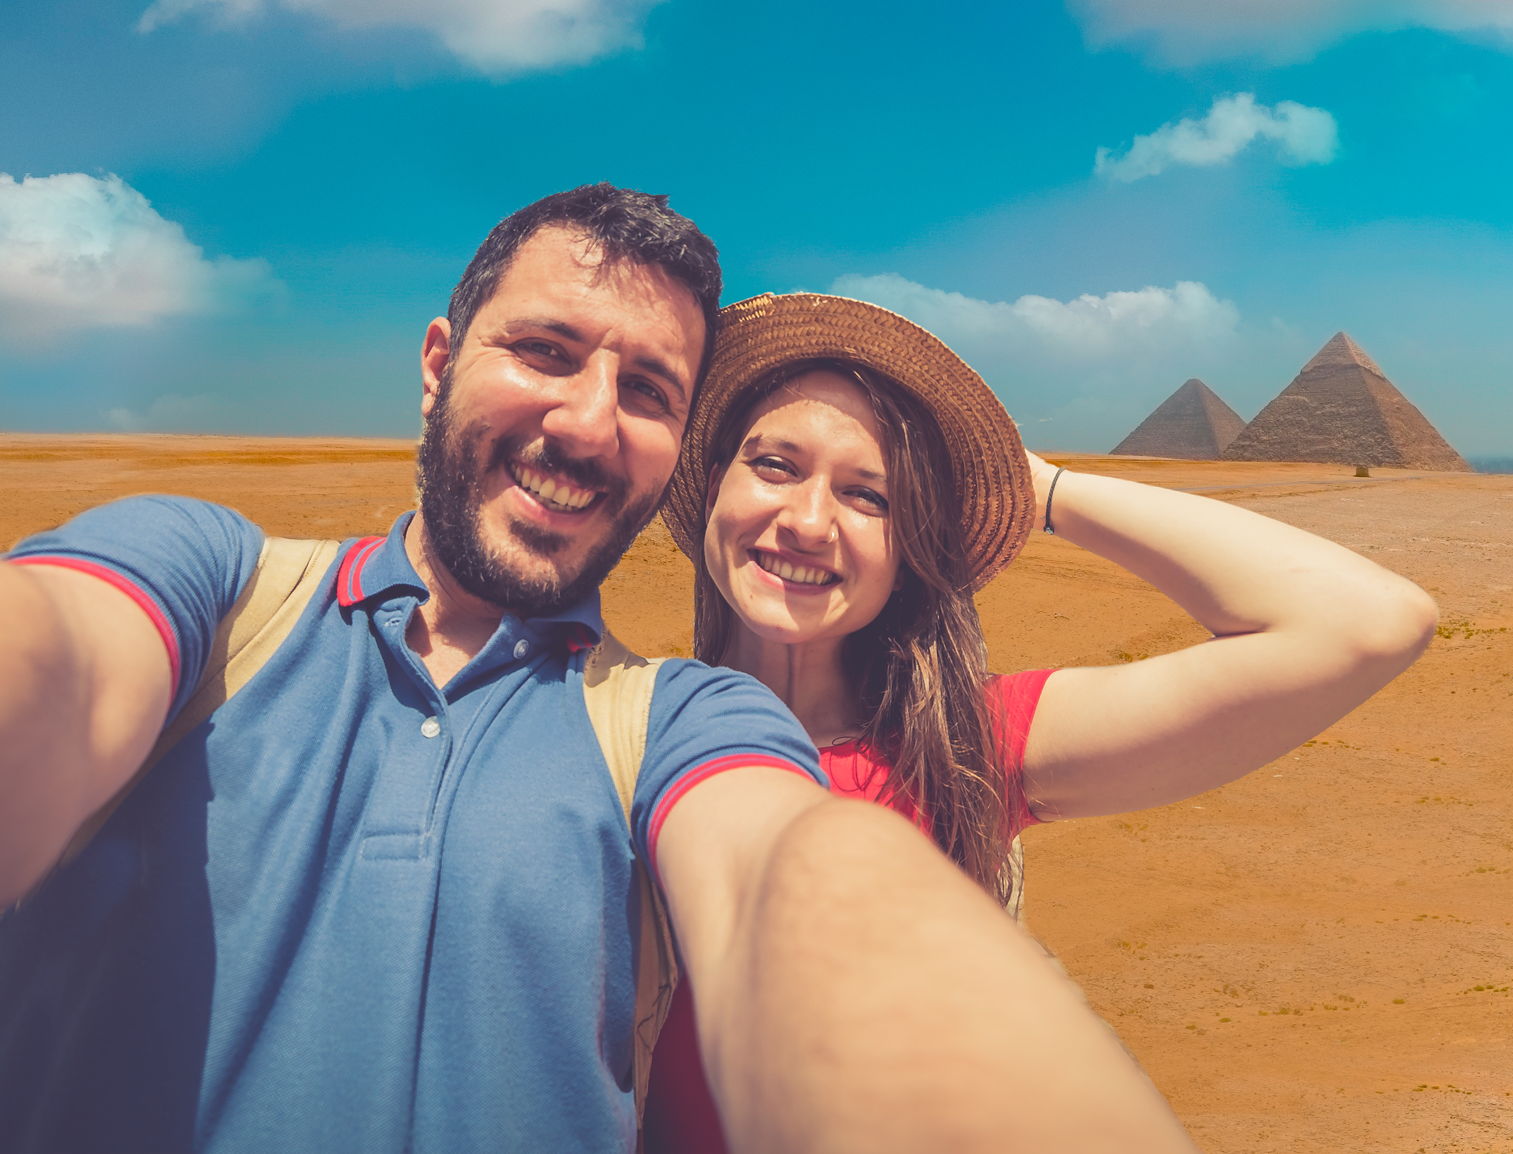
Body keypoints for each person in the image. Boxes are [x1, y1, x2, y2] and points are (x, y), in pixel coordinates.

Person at [0, 188, 1195, 1153]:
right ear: (437, 360)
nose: (584, 421)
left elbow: (797, 872)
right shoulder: (208, 584)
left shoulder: (681, 715)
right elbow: (48, 657)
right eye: (544, 349)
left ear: (673, 444)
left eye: (647, 390)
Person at [646, 293, 1440, 1152]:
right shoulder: (609, 725)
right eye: (772, 464)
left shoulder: (967, 747)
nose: (807, 521)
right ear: (713, 485)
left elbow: (1370, 622)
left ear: (913, 545)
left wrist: (1043, 488)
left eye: (869, 495)